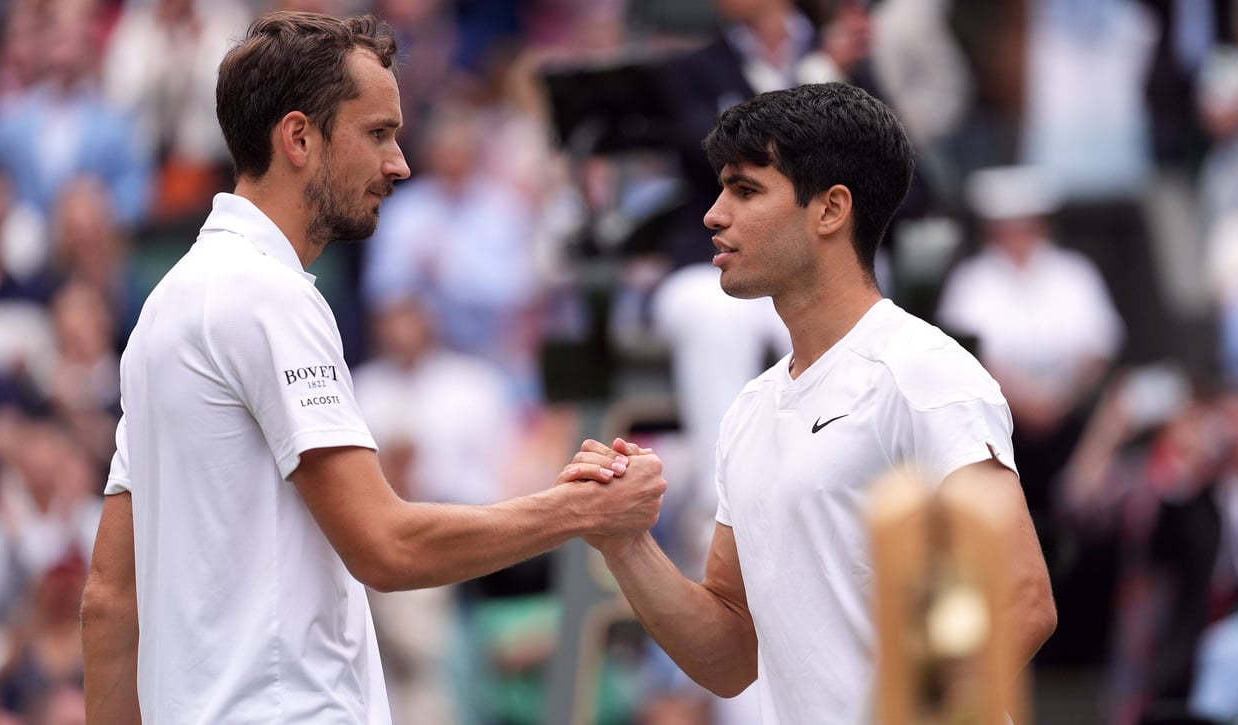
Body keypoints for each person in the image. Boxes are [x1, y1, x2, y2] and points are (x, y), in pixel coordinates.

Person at [78, 12, 667, 725]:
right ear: (299, 138)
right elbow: (385, 545)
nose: (400, 164)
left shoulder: (164, 310)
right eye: (378, 133)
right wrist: (579, 508)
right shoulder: (269, 296)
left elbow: (109, 599)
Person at [573, 82, 1056, 724]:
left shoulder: (924, 371)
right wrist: (627, 546)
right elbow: (730, 657)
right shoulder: (748, 411)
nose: (713, 215)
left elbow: (1021, 601)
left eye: (745, 191)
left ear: (830, 210)